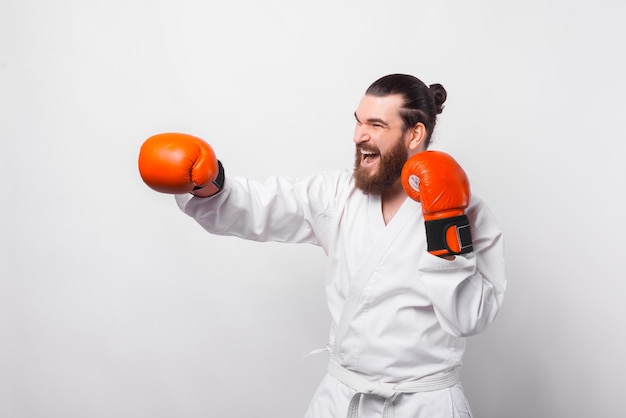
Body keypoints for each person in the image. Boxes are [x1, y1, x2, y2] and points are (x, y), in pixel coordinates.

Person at [138, 74, 507, 418]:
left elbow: (468, 319)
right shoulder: (336, 194)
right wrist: (210, 181)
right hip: (343, 398)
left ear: (414, 134)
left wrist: (444, 223)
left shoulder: (470, 214)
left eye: (376, 125)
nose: (358, 136)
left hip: (426, 405)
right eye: (358, 121)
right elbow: (258, 207)